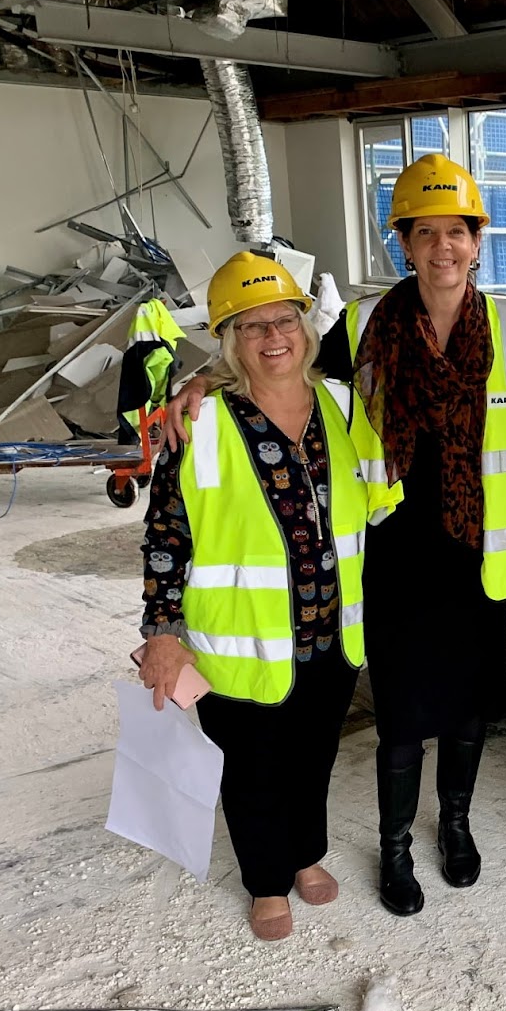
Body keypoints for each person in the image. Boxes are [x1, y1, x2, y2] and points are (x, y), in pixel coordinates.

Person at [167, 157, 506, 919]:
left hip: (481, 552)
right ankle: (396, 847)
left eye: (457, 233)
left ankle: (455, 827)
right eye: (425, 232)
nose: (443, 247)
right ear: (404, 244)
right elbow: (281, 369)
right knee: (403, 716)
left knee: (471, 710)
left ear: (477, 243)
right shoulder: (362, 325)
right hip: (396, 551)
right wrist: (202, 381)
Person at [137, 252, 379, 941]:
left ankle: (305, 853)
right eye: (252, 326)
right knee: (251, 768)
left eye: (285, 320)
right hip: (240, 639)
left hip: (332, 631)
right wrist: (162, 631)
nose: (274, 337)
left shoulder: (344, 406)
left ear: (307, 327)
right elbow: (165, 535)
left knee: (314, 756)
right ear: (228, 341)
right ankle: (267, 880)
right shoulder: (200, 422)